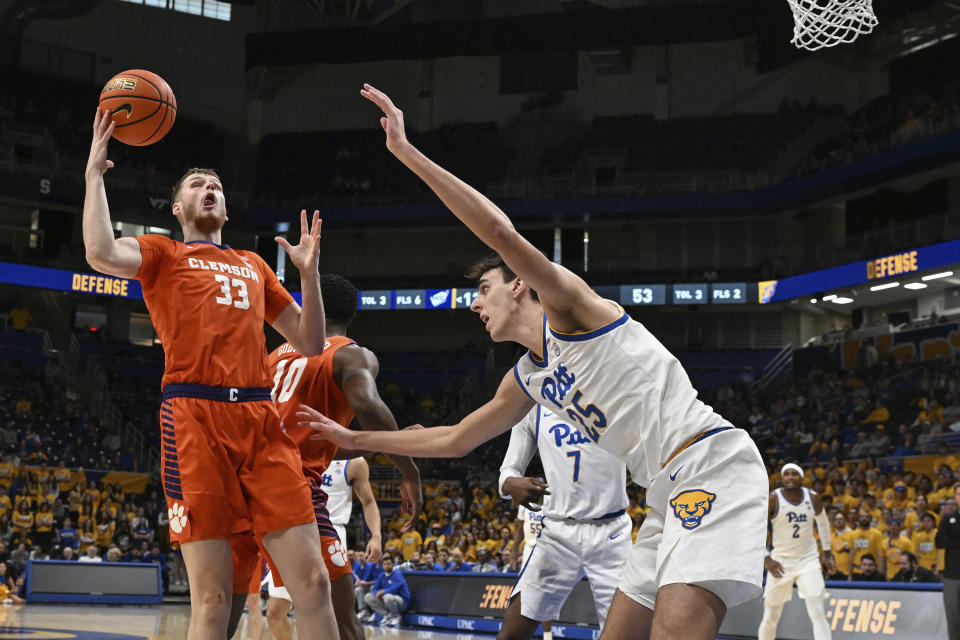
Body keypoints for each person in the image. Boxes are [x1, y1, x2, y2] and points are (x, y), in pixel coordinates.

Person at [298, 84, 768, 640]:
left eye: (482, 287)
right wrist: (353, 440)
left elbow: (499, 232)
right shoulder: (528, 377)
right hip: (665, 490)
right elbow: (453, 439)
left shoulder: (574, 311)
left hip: (710, 463)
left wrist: (406, 154)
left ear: (518, 286)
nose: (473, 302)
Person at [82, 107, 336, 640]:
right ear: (178, 207)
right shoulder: (163, 252)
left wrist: (309, 278)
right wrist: (93, 178)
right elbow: (101, 252)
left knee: (313, 584)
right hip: (193, 416)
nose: (210, 189)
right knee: (216, 600)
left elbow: (311, 343)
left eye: (217, 184)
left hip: (262, 420)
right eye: (199, 184)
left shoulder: (253, 263)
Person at [233, 273, 420, 640]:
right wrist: (408, 465)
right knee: (343, 620)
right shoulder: (349, 353)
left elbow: (315, 440)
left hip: (245, 486)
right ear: (353, 314)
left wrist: (379, 443)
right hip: (293, 491)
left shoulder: (274, 357)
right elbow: (367, 403)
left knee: (227, 605)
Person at [497, 405, 631, 640]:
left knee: (624, 633)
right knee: (511, 633)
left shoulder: (616, 393)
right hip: (558, 533)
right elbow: (509, 467)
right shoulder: (534, 407)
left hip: (612, 532)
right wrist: (509, 483)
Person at [261, 456, 383, 640]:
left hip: (330, 530)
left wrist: (376, 536)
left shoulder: (354, 462)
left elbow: (368, 501)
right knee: (275, 614)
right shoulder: (296, 450)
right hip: (295, 529)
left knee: (341, 615)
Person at [758, 464, 832, 640]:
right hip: (780, 561)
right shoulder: (773, 499)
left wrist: (827, 550)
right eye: (787, 474)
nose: (790, 477)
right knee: (770, 616)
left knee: (818, 611)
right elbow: (756, 528)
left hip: (808, 560)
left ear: (801, 477)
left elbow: (823, 523)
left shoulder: (813, 498)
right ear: (782, 478)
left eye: (794, 474)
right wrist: (765, 558)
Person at [936, 484, 960, 640]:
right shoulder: (947, 518)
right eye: (959, 493)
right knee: (953, 620)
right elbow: (939, 541)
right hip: (951, 576)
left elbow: (947, 540)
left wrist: (953, 540)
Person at [364, 555, 411, 627]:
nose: (387, 566)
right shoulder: (382, 575)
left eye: (389, 564)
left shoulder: (397, 574)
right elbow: (374, 589)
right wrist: (377, 593)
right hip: (388, 601)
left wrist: (384, 591)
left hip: (402, 602)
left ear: (393, 565)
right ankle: (387, 615)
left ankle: (396, 617)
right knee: (368, 597)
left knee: (387, 596)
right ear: (382, 566)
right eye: (385, 564)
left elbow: (395, 588)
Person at [847, 510, 885, 578]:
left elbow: (880, 556)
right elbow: (851, 556)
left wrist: (880, 575)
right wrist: (849, 575)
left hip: (872, 571)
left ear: (870, 519)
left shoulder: (877, 534)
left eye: (867, 517)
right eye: (862, 517)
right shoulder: (852, 534)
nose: (864, 518)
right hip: (857, 571)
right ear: (858, 518)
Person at [354, 550, 382, 623]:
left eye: (361, 556)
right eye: (358, 556)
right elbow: (363, 579)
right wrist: (359, 582)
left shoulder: (371, 565)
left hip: (378, 587)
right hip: (370, 586)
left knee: (371, 589)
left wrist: (365, 583)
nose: (360, 558)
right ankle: (364, 611)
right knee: (358, 589)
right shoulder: (362, 566)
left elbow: (379, 580)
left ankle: (374, 612)